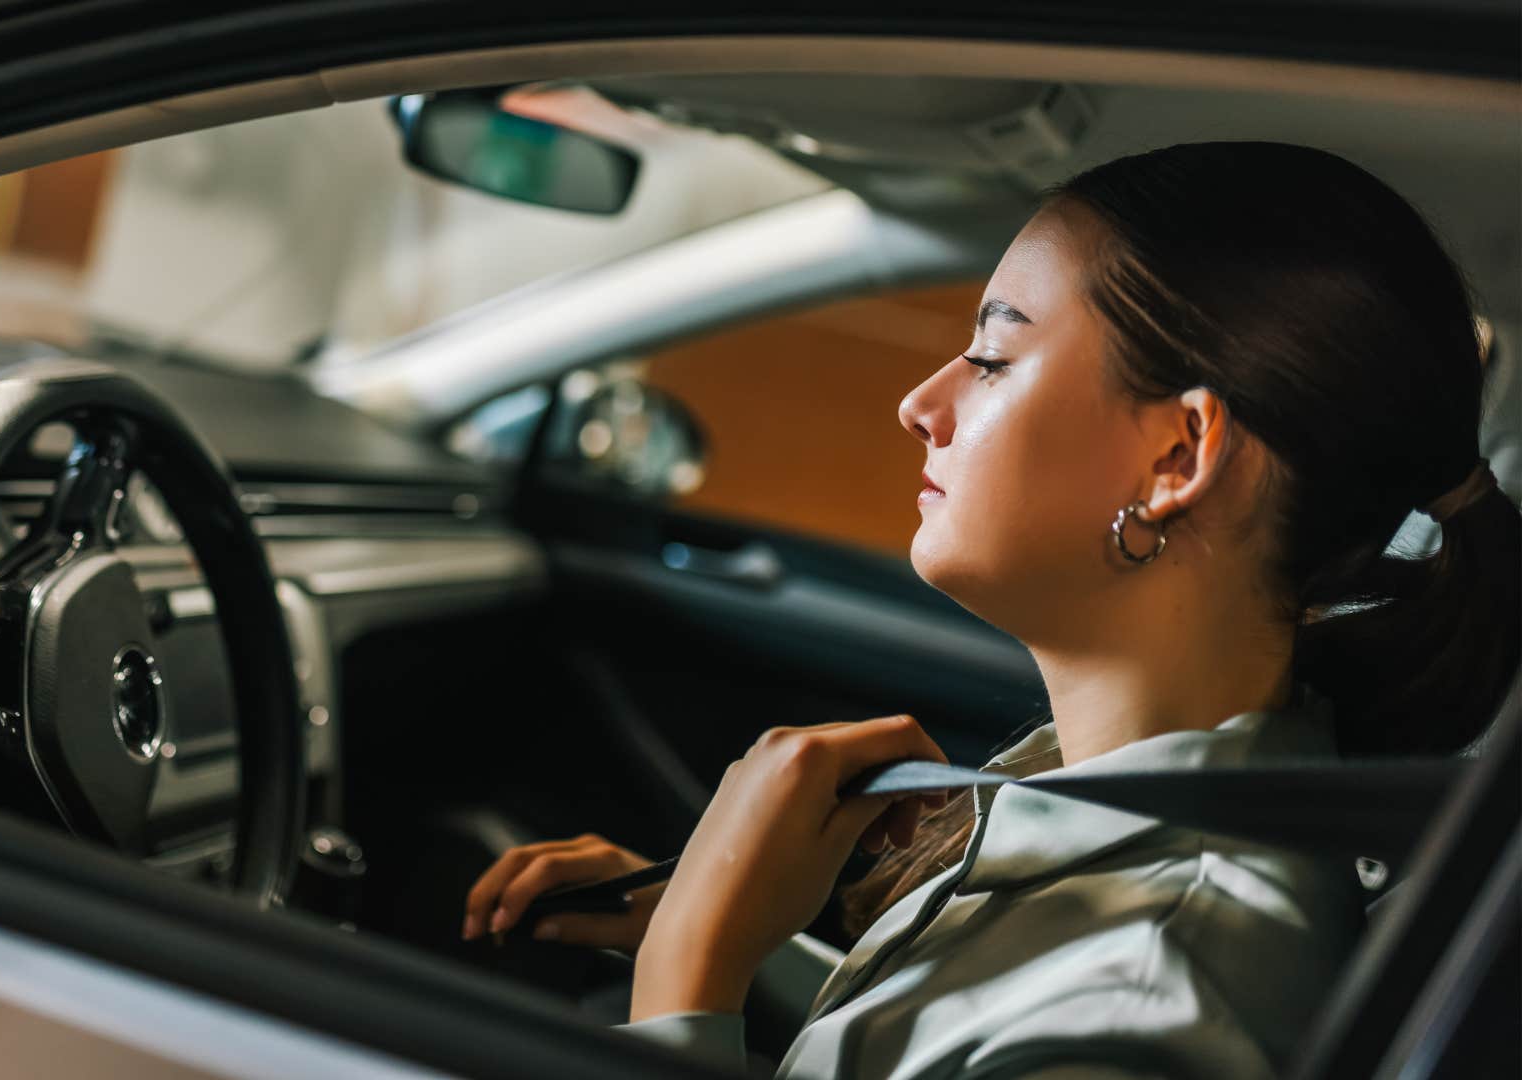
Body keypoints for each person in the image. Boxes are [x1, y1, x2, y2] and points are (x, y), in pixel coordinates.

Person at [459, 141, 1521, 1077]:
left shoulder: (1145, 1013)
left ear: (1177, 456)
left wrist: (688, 980)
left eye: (994, 356)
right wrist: (729, 938)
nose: (921, 405)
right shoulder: (1140, 785)